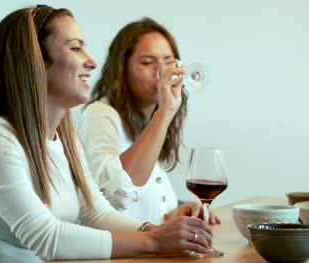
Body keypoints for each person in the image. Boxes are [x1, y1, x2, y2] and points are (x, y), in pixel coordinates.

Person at [0, 6, 213, 263]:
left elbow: (96, 214)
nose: (92, 62)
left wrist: (154, 230)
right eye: (75, 48)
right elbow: (45, 238)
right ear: (33, 62)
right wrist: (154, 241)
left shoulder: (66, 139)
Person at [80, 18, 221, 225]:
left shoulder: (146, 121)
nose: (162, 72)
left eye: (169, 62)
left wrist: (175, 212)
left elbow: (143, 209)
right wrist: (165, 112)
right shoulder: (100, 114)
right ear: (121, 70)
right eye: (147, 62)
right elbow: (113, 195)